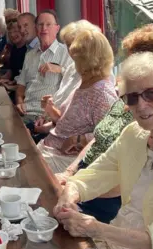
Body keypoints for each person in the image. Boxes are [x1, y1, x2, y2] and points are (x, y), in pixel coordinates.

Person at [54, 51, 153, 249]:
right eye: (132, 98)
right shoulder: (133, 135)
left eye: (151, 93)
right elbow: (92, 175)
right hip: (111, 245)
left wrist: (94, 228)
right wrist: (69, 195)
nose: (141, 105)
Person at [55, 23, 153, 224]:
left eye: (150, 92)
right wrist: (71, 176)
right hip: (91, 183)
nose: (140, 103)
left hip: (104, 201)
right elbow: (102, 143)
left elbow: (125, 183)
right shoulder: (129, 108)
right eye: (131, 60)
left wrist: (87, 213)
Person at [36, 30, 117, 174]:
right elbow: (68, 122)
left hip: (64, 162)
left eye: (77, 59)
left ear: (89, 61)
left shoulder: (102, 92)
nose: (74, 63)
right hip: (49, 150)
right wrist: (50, 110)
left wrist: (78, 140)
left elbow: (112, 135)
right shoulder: (85, 82)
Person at [30, 20, 102, 143]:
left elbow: (82, 126)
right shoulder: (72, 68)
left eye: (74, 45)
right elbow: (59, 100)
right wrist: (45, 115)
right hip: (52, 125)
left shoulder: (97, 78)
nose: (71, 51)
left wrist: (49, 120)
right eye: (68, 45)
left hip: (67, 139)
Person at [15, 9, 73, 124]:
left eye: (48, 24)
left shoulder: (67, 53)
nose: (44, 28)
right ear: (36, 29)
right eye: (40, 25)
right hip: (24, 113)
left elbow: (75, 85)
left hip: (45, 116)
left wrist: (60, 69)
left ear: (57, 28)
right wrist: (19, 102)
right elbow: (20, 88)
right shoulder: (30, 55)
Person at [0, 21, 27, 103]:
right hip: (14, 87)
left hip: (22, 94)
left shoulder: (28, 50)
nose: (12, 35)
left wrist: (10, 85)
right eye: (10, 33)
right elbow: (12, 70)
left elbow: (26, 79)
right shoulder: (14, 48)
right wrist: (2, 78)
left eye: (16, 31)